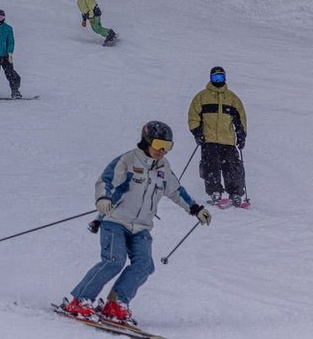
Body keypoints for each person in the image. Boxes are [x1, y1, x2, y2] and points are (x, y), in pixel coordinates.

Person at [61, 121, 211, 326]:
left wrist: (195, 208)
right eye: (158, 144)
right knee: (114, 260)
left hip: (141, 227)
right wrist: (103, 198)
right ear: (147, 141)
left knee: (144, 265)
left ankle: (115, 303)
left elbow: (176, 191)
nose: (162, 151)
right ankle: (79, 300)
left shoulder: (163, 168)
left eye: (167, 147)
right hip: (115, 221)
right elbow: (106, 181)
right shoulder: (128, 160)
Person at [188, 66, 248, 208]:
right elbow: (193, 116)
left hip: (228, 140)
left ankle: (235, 193)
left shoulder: (232, 98)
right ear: (210, 78)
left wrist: (241, 135)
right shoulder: (201, 97)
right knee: (211, 166)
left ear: (225, 78)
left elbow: (240, 118)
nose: (218, 80)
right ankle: (215, 192)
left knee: (232, 167)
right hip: (209, 140)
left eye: (220, 77)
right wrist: (197, 133)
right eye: (215, 78)